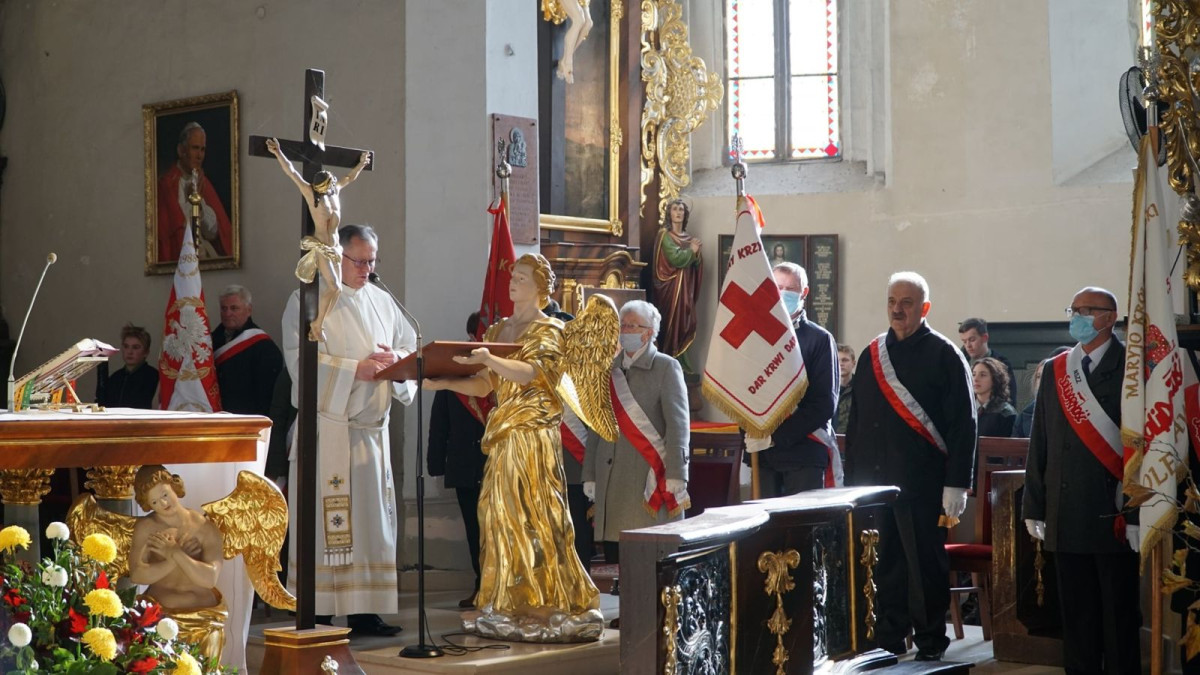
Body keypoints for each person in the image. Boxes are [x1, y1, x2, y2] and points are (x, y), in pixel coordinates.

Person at [423, 254, 604, 642]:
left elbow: (531, 374)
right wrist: (445, 384)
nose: (513, 282)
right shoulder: (500, 328)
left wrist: (490, 357)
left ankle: (547, 599)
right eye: (513, 277)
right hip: (504, 437)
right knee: (498, 515)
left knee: (535, 515)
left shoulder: (549, 329)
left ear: (541, 287)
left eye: (522, 278)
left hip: (533, 437)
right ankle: (507, 600)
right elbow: (487, 386)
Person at [281, 224, 416, 637]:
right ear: (338, 256)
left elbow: (409, 348)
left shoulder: (382, 300)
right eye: (360, 261)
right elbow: (299, 363)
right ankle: (318, 608)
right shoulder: (309, 299)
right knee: (326, 527)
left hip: (371, 436)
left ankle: (364, 610)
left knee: (372, 526)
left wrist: (396, 361)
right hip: (329, 435)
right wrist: (354, 370)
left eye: (373, 260)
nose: (368, 269)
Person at [845, 271, 976, 662]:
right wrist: (852, 482)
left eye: (907, 303)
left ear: (924, 308)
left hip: (925, 482)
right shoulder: (872, 355)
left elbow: (963, 423)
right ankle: (888, 637)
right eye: (892, 302)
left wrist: (957, 484)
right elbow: (855, 422)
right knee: (884, 562)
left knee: (924, 565)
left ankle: (931, 641)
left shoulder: (945, 354)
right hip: (876, 482)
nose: (898, 310)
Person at [1022, 287, 1139, 674]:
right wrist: (1034, 505)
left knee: (1118, 616)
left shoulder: (1133, 367)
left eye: (1087, 310)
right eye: (1074, 309)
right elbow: (1040, 442)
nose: (1078, 317)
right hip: (1065, 509)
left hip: (1113, 511)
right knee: (1076, 617)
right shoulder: (1058, 368)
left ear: (1109, 317)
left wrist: (1138, 512)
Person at [583, 300, 690, 565]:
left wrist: (678, 473)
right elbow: (598, 424)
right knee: (616, 559)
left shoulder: (666, 367)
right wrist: (590, 474)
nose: (625, 330)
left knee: (648, 562)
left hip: (647, 479)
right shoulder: (609, 370)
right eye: (623, 325)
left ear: (649, 331)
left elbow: (678, 424)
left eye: (633, 325)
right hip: (611, 480)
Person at [267, 137, 371, 343]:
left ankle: (318, 324)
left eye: (327, 187)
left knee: (338, 289)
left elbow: (349, 178)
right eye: (322, 189)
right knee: (333, 286)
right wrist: (278, 152)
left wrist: (361, 163)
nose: (324, 191)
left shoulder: (335, 192)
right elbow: (292, 172)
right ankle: (317, 325)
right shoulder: (310, 193)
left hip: (336, 248)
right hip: (321, 246)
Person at [753, 262, 840, 495]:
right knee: (765, 530)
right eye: (777, 286)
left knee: (801, 530)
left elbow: (824, 403)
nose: (782, 293)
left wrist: (777, 436)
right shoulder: (756, 336)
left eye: (790, 288)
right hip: (763, 457)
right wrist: (750, 433)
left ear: (804, 292)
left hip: (804, 454)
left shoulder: (820, 339)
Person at [128, 465, 226, 661]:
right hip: (161, 616)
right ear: (148, 505)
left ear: (174, 487)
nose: (163, 503)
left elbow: (209, 579)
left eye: (165, 494)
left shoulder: (204, 527)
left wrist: (176, 554)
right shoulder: (147, 528)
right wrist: (172, 561)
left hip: (204, 618)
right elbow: (137, 574)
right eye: (155, 501)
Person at [427, 312, 488, 610]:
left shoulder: (501, 371)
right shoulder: (454, 371)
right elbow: (440, 423)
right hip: (465, 465)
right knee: (474, 532)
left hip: (495, 465)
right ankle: (480, 585)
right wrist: (436, 465)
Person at [157, 122, 233, 263]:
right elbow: (177, 228)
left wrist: (200, 205)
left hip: (205, 254)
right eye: (195, 148)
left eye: (202, 150)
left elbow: (213, 232)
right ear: (181, 150)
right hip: (181, 256)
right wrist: (191, 200)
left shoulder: (204, 183)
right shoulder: (167, 184)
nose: (199, 156)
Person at [211, 285, 283, 416]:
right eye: (224, 308)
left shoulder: (264, 347)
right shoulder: (209, 342)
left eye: (234, 308)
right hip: (214, 417)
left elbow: (266, 397)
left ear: (248, 310)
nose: (228, 314)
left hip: (244, 420)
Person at [651, 198, 703, 372]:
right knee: (670, 325)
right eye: (675, 209)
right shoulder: (664, 236)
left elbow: (695, 265)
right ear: (669, 213)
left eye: (681, 209)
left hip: (685, 290)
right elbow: (675, 258)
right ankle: (669, 359)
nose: (678, 212)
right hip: (669, 289)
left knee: (686, 322)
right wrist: (692, 252)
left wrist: (697, 257)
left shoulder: (689, 239)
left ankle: (682, 362)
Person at [95, 323, 158, 409]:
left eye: (136, 347)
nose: (130, 352)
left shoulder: (153, 377)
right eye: (126, 346)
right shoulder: (115, 378)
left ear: (146, 352)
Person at [1011, 347, 1069, 438]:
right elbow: (1015, 445)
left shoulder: (1070, 409)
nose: (1041, 381)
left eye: (1046, 376)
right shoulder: (1026, 413)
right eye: (1038, 376)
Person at [958, 317, 1017, 404]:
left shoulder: (1001, 363)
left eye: (972, 340)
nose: (968, 346)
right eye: (964, 341)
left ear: (985, 338)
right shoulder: (961, 362)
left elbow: (1010, 398)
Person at [973, 357, 1017, 437]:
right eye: (973, 374)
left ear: (995, 379)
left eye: (982, 375)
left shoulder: (1005, 413)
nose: (975, 379)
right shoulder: (965, 410)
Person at [835, 344, 855, 434]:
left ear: (853, 363)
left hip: (853, 441)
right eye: (837, 360)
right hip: (830, 440)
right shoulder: (826, 388)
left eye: (845, 360)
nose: (841, 364)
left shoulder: (861, 387)